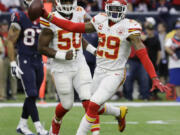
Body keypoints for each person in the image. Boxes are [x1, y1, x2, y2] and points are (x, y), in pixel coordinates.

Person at [38, 0, 170, 134]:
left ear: (124, 10)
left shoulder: (130, 27)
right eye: (112, 8)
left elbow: (143, 54)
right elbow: (73, 27)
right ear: (106, 8)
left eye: (118, 9)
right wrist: (48, 16)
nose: (115, 12)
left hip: (115, 72)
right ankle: (119, 113)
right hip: (99, 70)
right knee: (94, 106)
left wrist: (154, 77)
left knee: (93, 105)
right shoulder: (100, 19)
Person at [38, 0, 100, 135]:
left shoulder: (79, 12)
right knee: (67, 104)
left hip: (79, 63)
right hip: (60, 67)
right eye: (64, 0)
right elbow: (41, 48)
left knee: (88, 98)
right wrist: (61, 55)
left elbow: (78, 37)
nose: (67, 3)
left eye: (69, 0)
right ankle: (56, 122)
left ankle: (96, 133)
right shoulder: (50, 19)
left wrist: (93, 50)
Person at [5, 0, 48, 134]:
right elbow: (10, 41)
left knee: (32, 96)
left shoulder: (44, 20)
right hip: (25, 58)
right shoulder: (20, 17)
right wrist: (13, 63)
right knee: (32, 93)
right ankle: (39, 128)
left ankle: (22, 125)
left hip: (38, 59)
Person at [165, 23, 180, 102]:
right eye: (178, 29)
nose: (179, 31)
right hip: (175, 63)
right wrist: (172, 53)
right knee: (177, 82)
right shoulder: (171, 39)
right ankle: (178, 97)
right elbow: (166, 47)